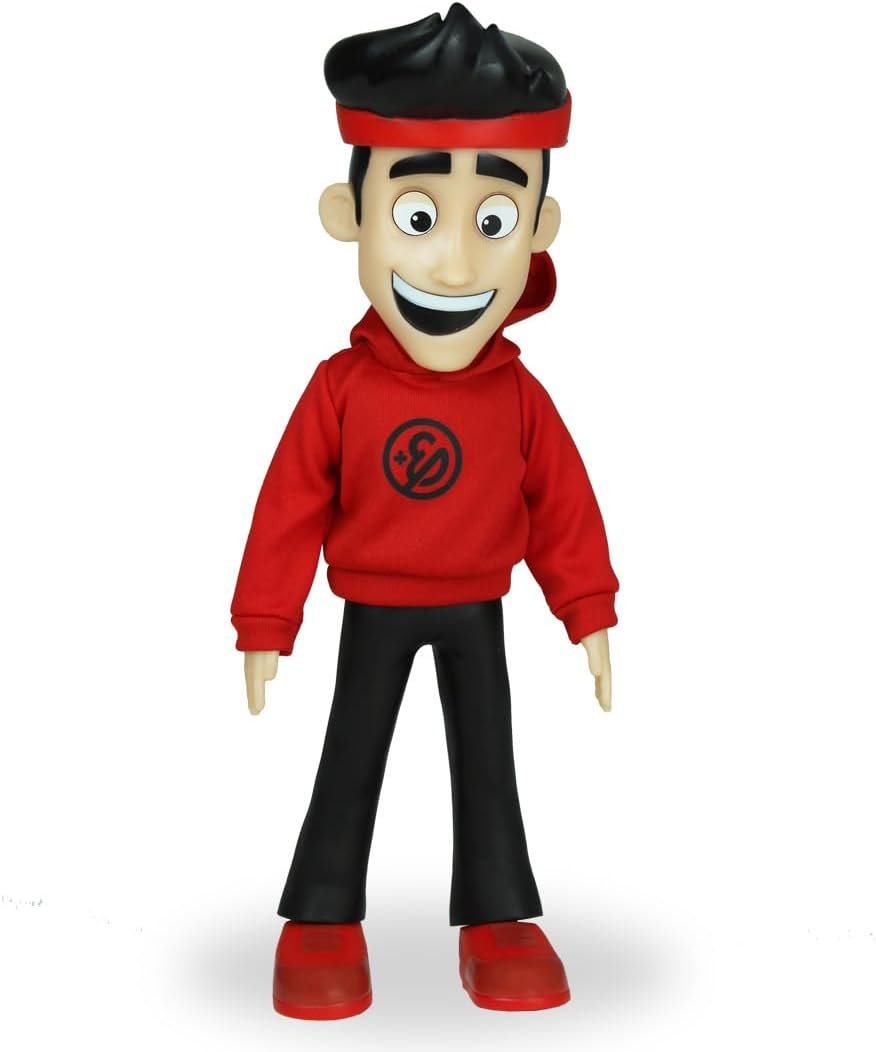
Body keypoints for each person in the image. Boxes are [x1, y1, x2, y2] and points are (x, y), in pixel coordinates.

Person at [231, 2, 620, 1018]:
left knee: (488, 760)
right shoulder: (339, 390)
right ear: (348, 215)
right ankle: (322, 913)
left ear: (537, 231)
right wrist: (266, 621)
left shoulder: (519, 397)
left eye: (492, 222)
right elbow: (288, 506)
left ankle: (499, 912)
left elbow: (563, 506)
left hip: (476, 606)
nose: (453, 266)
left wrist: (588, 609)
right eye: (416, 217)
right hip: (373, 605)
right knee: (350, 751)